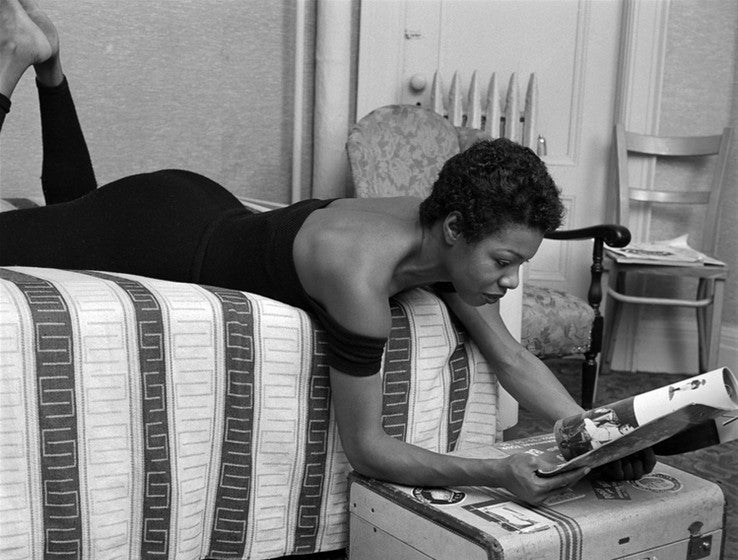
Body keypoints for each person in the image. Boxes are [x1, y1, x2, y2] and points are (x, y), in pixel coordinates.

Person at [0, 0, 655, 506]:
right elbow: (368, 449)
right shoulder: (359, 278)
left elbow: (510, 355)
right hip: (162, 232)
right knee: (73, 221)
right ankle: (12, 62)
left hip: (201, 199)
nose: (510, 282)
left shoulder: (447, 237)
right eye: (504, 262)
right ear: (456, 229)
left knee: (72, 213)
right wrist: (499, 472)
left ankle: (50, 63)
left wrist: (599, 434)